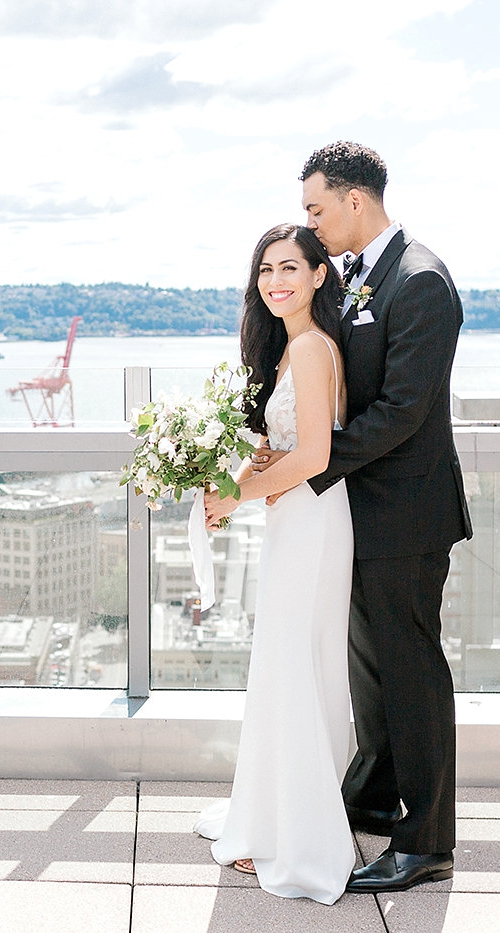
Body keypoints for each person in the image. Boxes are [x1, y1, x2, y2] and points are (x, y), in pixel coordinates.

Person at [258, 141, 472, 893]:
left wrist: (310, 465)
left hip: (407, 514)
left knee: (411, 673)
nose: (309, 224)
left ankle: (426, 840)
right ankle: (376, 792)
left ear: (355, 202)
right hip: (358, 512)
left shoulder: (420, 282)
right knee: (372, 670)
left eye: (316, 208)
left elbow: (404, 412)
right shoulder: (357, 277)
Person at [192, 222, 355, 905]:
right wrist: (252, 467)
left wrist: (231, 494)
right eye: (265, 269)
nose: (276, 280)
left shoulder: (314, 348)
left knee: (293, 663)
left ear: (319, 275)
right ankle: (278, 815)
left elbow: (317, 455)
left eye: (290, 267)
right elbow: (290, 448)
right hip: (295, 518)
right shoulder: (290, 351)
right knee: (288, 665)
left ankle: (303, 837)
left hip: (316, 517)